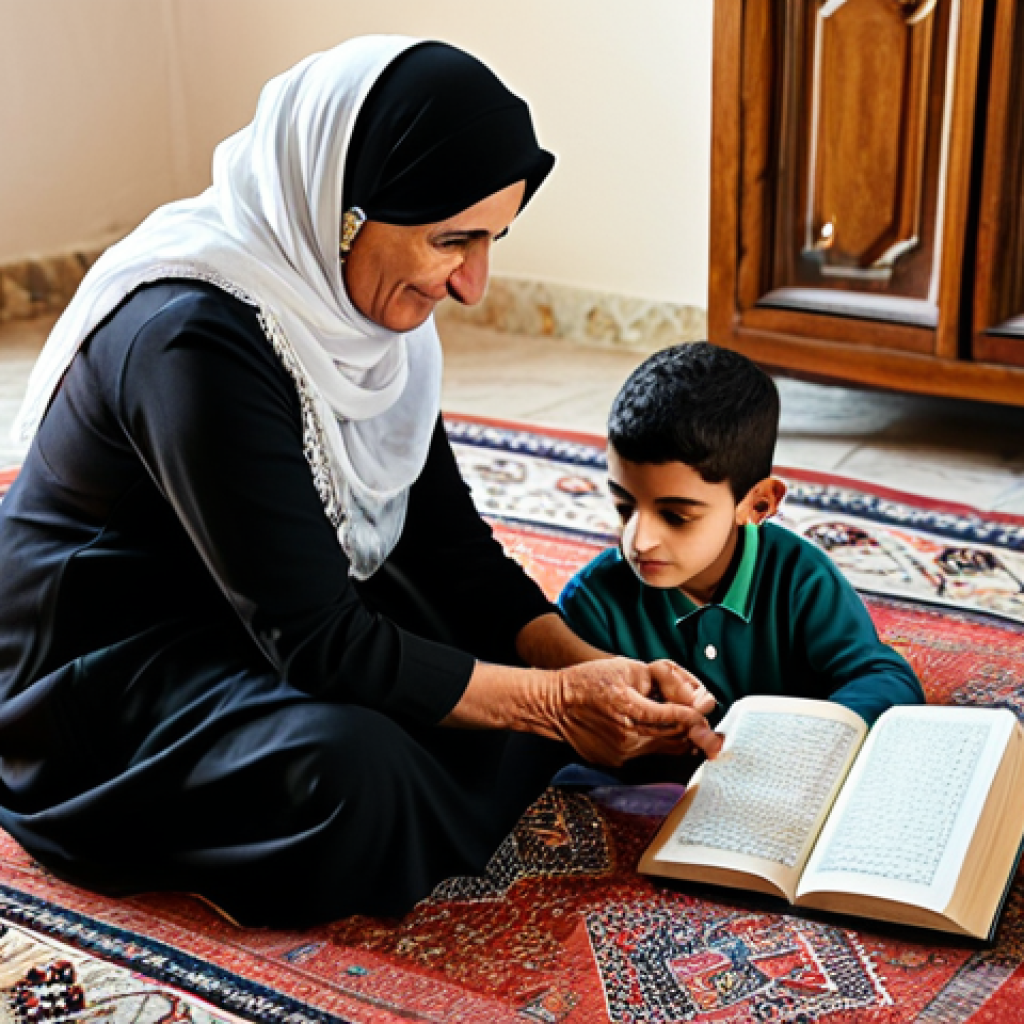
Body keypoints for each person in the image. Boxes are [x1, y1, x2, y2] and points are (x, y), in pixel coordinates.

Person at [0, 36, 720, 928]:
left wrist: (590, 669)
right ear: (342, 209)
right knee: (352, 771)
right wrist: (554, 710)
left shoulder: (364, 313)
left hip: (251, 608)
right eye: (451, 240)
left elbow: (453, 550)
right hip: (109, 667)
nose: (472, 286)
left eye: (491, 239)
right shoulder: (192, 336)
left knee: (475, 647)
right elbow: (318, 643)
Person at [559, 341, 926, 728]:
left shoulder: (800, 577)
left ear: (758, 505)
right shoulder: (592, 603)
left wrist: (811, 733)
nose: (638, 540)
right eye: (624, 508)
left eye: (676, 516)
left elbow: (885, 680)